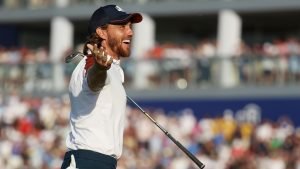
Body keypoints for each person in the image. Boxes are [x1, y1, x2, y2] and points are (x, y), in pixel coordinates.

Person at [61, 4, 143, 169]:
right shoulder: (90, 62)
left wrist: (104, 67)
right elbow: (94, 80)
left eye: (129, 26)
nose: (130, 32)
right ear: (102, 32)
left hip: (104, 163)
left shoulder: (113, 69)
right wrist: (100, 67)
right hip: (86, 161)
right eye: (121, 26)